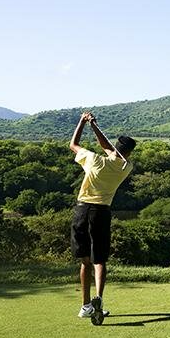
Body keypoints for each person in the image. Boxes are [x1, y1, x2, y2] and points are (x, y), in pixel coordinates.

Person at [69, 111, 136, 323]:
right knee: (100, 260)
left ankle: (86, 305)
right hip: (101, 213)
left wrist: (85, 122)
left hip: (82, 211)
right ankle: (99, 298)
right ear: (130, 153)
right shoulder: (126, 167)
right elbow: (109, 148)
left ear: (116, 147)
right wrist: (95, 128)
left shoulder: (93, 159)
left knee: (85, 261)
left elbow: (73, 144)